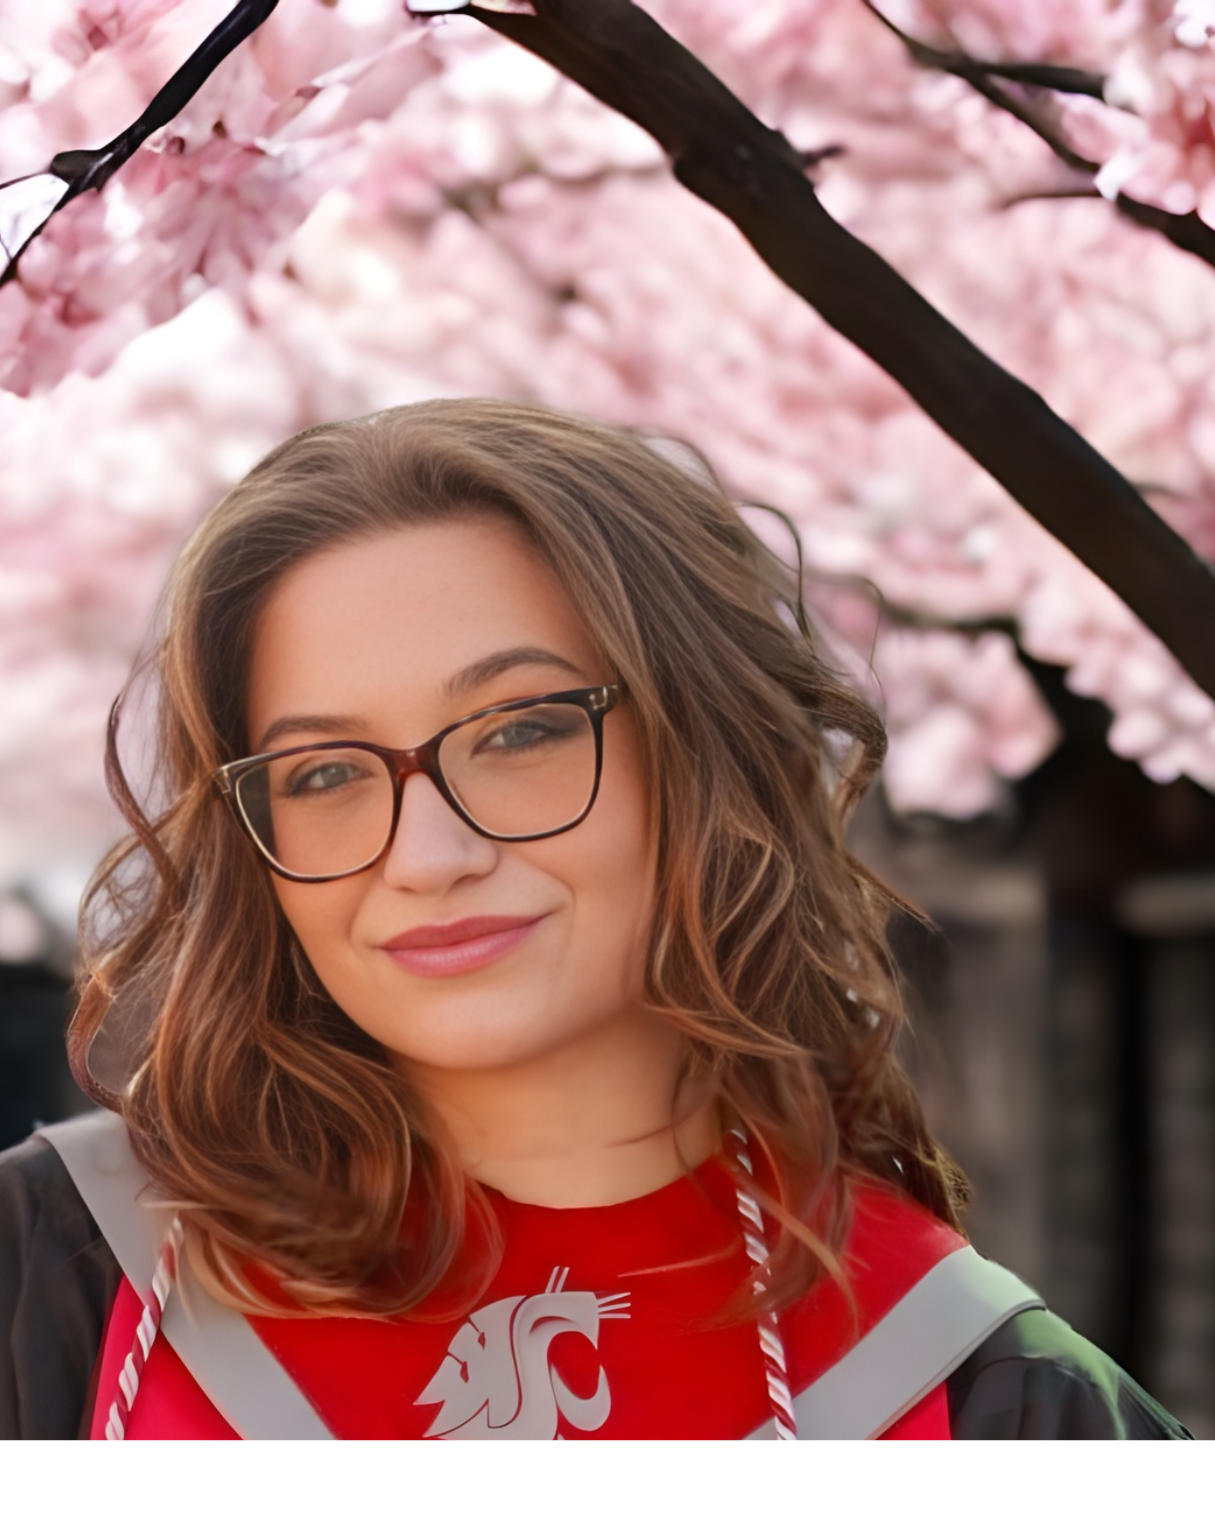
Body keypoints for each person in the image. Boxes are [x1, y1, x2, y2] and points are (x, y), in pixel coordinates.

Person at [0, 398, 1194, 1514]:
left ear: (706, 757)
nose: (427, 853)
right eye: (322, 773)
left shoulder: (1001, 1408)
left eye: (520, 730)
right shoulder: (62, 1277)